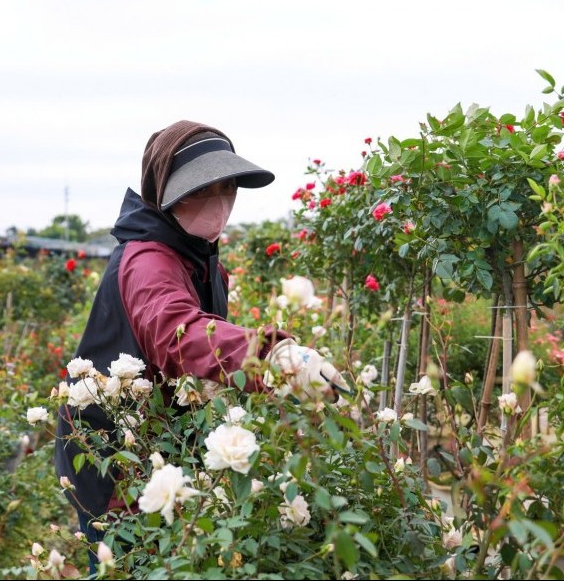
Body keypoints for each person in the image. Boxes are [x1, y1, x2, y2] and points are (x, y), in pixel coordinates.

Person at [53, 120, 345, 571]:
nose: (220, 201)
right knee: (129, 563)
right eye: (203, 188)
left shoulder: (193, 256)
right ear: (166, 195)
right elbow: (179, 332)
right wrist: (271, 355)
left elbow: (200, 346)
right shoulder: (149, 259)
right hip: (112, 456)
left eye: (227, 186)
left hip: (154, 442)